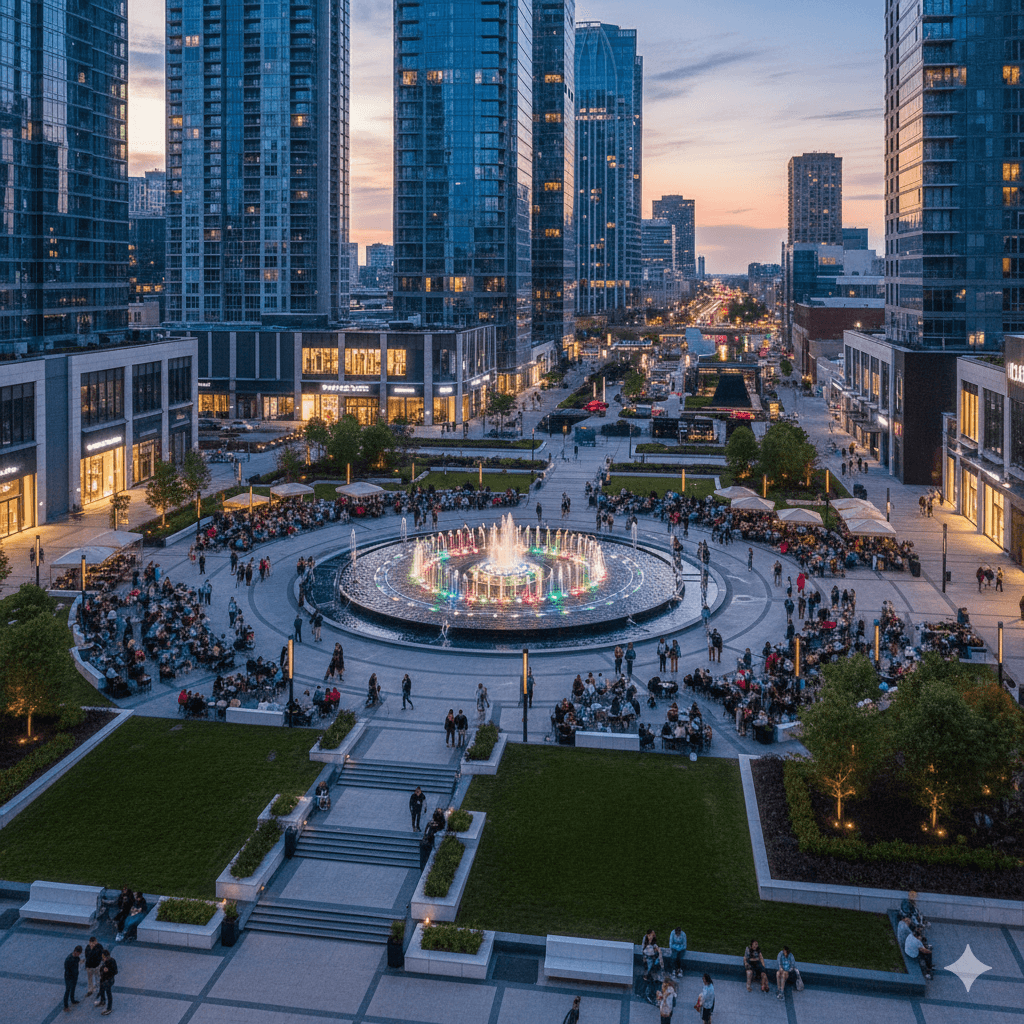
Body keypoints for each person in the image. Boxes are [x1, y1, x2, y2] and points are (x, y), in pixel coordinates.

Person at [95, 949, 117, 1015]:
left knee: (108, 993)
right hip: (103, 979)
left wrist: (108, 970)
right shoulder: (104, 961)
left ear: (106, 956)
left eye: (103, 957)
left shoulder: (112, 961)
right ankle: (102, 1001)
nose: (102, 958)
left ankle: (109, 1008)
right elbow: (102, 968)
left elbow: (115, 971)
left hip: (109, 980)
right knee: (101, 989)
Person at [63, 945, 82, 1012]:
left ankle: (72, 1000)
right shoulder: (68, 959)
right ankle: (66, 1006)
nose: (78, 955)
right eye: (78, 953)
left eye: (79, 954)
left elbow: (78, 964)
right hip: (69, 977)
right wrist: (71, 976)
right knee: (67, 991)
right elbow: (67, 970)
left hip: (74, 976)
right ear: (75, 951)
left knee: (73, 988)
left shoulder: (77, 958)